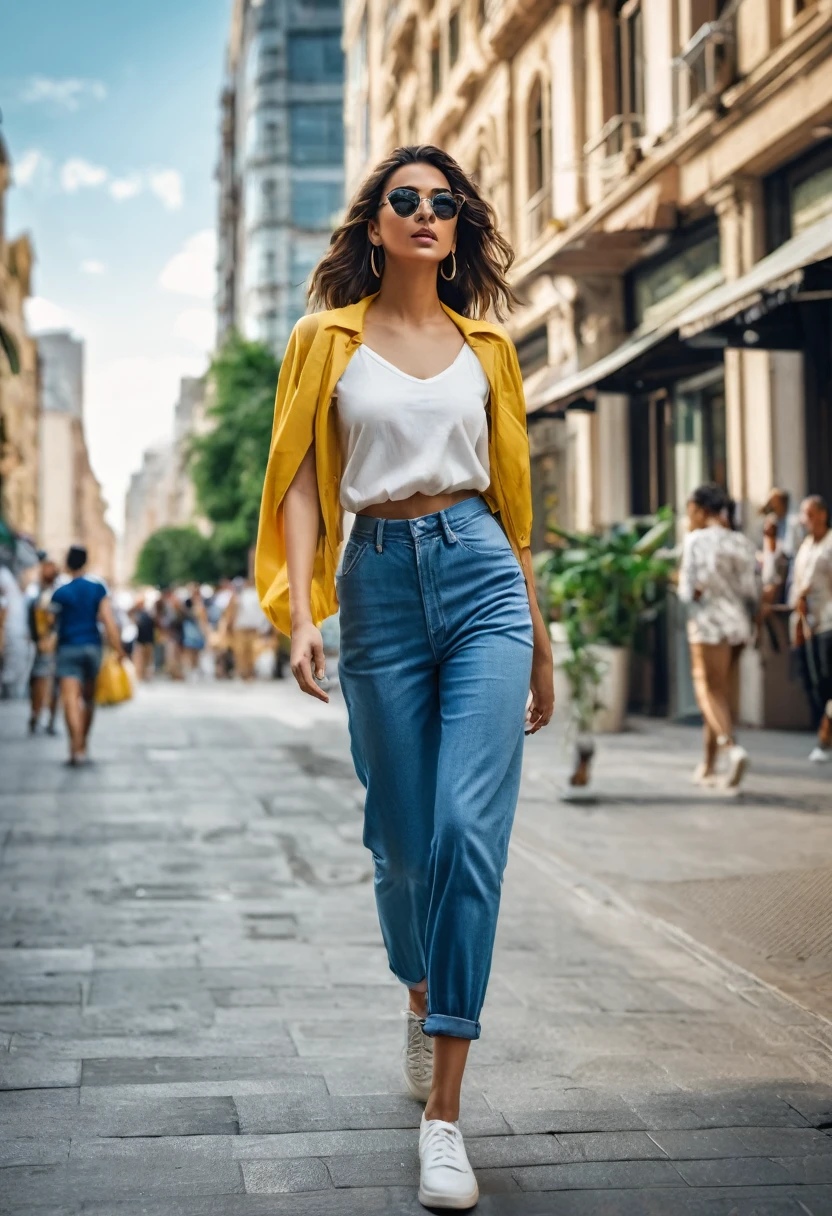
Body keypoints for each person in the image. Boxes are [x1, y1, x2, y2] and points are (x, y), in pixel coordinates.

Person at [255, 145, 554, 1211]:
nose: (426, 214)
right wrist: (300, 609)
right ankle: (420, 987)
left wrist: (540, 633)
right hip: (374, 586)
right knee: (398, 837)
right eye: (405, 201)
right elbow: (296, 476)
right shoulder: (323, 339)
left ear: (458, 224)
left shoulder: (489, 348)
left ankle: (446, 1115)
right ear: (374, 224)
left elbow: (513, 507)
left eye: (443, 202)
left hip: (479, 578)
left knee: (467, 833)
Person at [678, 483, 760, 789]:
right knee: (721, 694)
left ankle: (731, 748)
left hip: (708, 625)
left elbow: (687, 591)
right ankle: (709, 766)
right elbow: (752, 590)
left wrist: (694, 590)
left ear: (700, 510)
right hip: (738, 626)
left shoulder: (695, 541)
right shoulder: (740, 542)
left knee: (707, 690)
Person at [50, 545, 125, 766]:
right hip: (92, 648)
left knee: (70, 700)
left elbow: (51, 624)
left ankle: (74, 749)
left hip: (68, 648)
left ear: (67, 563)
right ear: (85, 562)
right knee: (89, 700)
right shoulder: (97, 589)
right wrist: (119, 649)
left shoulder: (61, 592)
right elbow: (108, 621)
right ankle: (83, 744)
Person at [789, 495, 832, 763]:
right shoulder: (805, 545)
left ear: (822, 515)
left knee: (828, 681)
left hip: (828, 621)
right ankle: (823, 733)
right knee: (814, 683)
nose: (806, 520)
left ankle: (824, 738)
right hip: (807, 625)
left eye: (810, 514)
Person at [27, 557, 60, 734]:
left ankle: (49, 718)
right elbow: (33, 618)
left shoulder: (56, 591)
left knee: (53, 682)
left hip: (53, 642)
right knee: (40, 680)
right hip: (42, 642)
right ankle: (36, 714)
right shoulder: (36, 592)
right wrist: (38, 638)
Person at [225, 576, 266, 681]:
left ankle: (250, 673)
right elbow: (231, 613)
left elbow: (260, 613)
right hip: (240, 628)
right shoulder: (237, 597)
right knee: (240, 652)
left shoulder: (254, 595)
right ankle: (243, 673)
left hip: (253, 628)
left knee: (252, 652)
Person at [129, 595, 156, 680]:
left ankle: (146, 674)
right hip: (140, 637)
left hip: (148, 636)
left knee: (148, 657)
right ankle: (140, 674)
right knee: (139, 656)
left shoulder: (148, 611)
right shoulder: (136, 612)